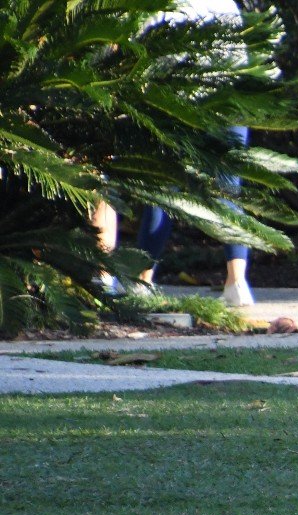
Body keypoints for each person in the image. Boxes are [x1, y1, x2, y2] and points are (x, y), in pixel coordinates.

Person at [93, 0, 255, 307]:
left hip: (179, 106)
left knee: (163, 191)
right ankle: (237, 282)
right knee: (228, 190)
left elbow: (133, 55)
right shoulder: (225, 4)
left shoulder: (158, 7)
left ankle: (143, 281)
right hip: (230, 102)